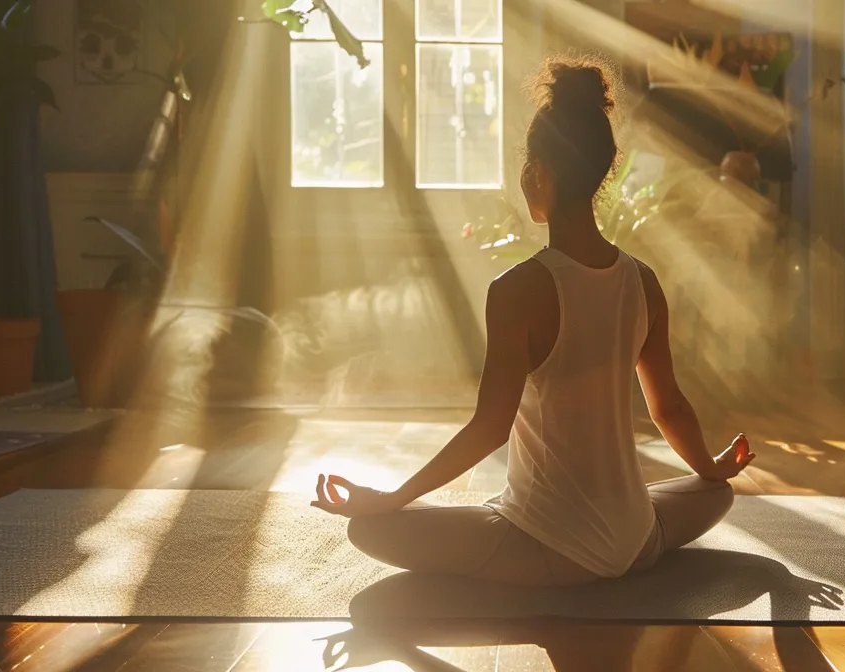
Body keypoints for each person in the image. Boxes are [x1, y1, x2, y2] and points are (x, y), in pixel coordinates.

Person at [309, 57, 755, 587]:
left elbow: (490, 428)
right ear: (601, 171)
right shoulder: (643, 282)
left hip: (548, 548)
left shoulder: (515, 290)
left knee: (370, 530)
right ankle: (656, 516)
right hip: (638, 543)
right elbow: (670, 407)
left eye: (525, 168)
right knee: (714, 491)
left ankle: (532, 546)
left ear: (538, 172)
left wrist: (392, 499)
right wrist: (710, 466)